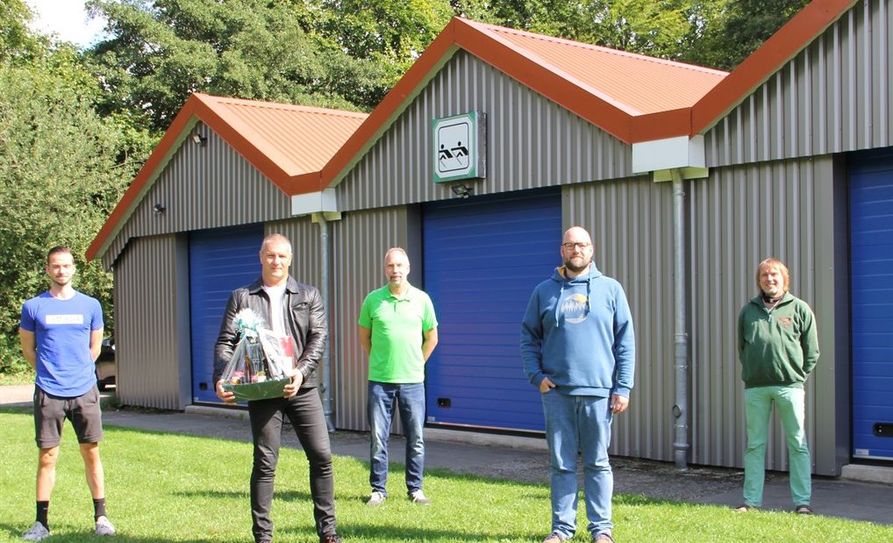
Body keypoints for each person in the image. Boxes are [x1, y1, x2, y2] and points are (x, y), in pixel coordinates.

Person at [214, 233, 341, 543]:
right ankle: (264, 537)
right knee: (266, 461)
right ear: (261, 257)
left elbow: (318, 338)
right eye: (271, 255)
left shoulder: (308, 295)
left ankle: (328, 532)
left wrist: (300, 371)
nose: (276, 261)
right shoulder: (242, 296)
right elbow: (225, 342)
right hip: (262, 389)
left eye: (282, 256)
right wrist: (222, 378)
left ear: (290, 259)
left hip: (302, 386)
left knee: (322, 455)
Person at [520, 226, 635, 543]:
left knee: (598, 463)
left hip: (599, 394)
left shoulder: (611, 289)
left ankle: (602, 530)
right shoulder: (544, 291)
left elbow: (625, 342)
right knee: (562, 464)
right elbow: (528, 337)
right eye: (570, 244)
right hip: (557, 393)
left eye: (581, 244)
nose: (576, 250)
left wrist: (622, 387)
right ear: (562, 250)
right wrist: (537, 376)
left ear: (592, 249)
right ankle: (562, 529)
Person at [18, 246, 116, 541]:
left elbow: (95, 348)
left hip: (84, 391)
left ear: (74, 269)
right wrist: (51, 374)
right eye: (55, 266)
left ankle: (101, 517)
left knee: (91, 453)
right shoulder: (33, 307)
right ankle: (41, 523)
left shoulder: (90, 306)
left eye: (66, 266)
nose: (61, 271)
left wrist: (80, 374)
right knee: (47, 456)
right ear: (47, 270)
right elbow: (28, 350)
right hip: (49, 392)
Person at [735, 257, 819, 515]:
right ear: (759, 280)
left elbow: (812, 351)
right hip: (756, 388)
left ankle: (802, 503)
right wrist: (754, 371)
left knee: (797, 443)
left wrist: (796, 376)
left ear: (785, 279)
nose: (769, 280)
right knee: (755, 446)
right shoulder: (748, 311)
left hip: (790, 388)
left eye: (775, 275)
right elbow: (742, 348)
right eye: (764, 276)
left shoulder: (800, 309)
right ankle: (751, 503)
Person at [358, 247, 439, 506]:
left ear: (408, 268)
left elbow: (432, 338)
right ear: (385, 269)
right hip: (380, 381)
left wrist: (416, 362)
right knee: (379, 438)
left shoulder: (422, 300)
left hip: (413, 382)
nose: (395, 271)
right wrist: (381, 362)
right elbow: (364, 338)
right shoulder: (373, 300)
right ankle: (378, 490)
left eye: (400, 266)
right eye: (390, 266)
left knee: (415, 438)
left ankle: (415, 489)